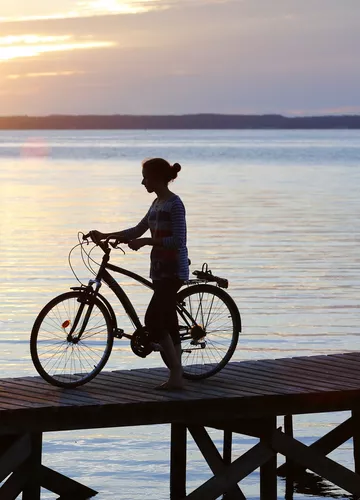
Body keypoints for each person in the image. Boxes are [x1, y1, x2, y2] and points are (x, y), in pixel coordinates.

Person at [90, 158, 189, 390]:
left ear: (155, 178)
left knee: (153, 319)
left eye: (145, 177)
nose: (142, 181)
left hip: (173, 269)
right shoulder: (156, 203)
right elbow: (136, 229)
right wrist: (105, 234)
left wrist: (146, 241)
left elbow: (179, 240)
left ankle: (176, 373)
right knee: (168, 322)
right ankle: (177, 375)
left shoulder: (175, 204)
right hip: (159, 269)